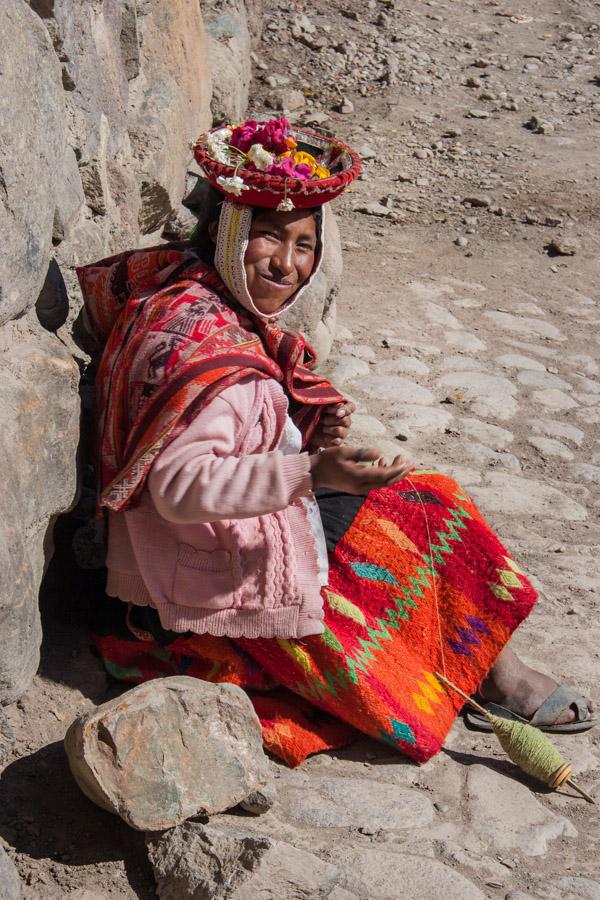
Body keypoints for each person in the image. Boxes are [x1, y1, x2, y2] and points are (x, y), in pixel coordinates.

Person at [77, 118, 595, 767]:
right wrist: (312, 472)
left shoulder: (182, 293)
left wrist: (306, 437)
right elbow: (178, 487)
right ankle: (489, 674)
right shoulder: (200, 346)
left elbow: (227, 434)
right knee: (426, 515)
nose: (287, 265)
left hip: (186, 547)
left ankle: (482, 661)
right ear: (225, 231)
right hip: (188, 579)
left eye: (303, 244)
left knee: (410, 503)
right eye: (268, 238)